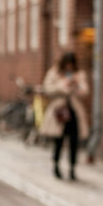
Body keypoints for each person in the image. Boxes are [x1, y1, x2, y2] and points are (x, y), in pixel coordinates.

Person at [40, 51, 89, 180]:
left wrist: (77, 84)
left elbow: (85, 92)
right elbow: (47, 89)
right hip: (59, 111)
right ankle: (56, 165)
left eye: (71, 64)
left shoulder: (79, 74)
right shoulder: (54, 73)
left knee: (74, 141)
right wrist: (63, 85)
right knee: (58, 140)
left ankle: (72, 169)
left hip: (74, 112)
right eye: (67, 64)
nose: (69, 67)